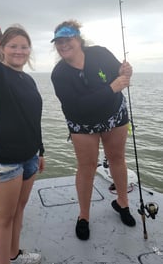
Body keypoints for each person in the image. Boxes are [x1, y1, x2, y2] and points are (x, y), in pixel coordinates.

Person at [50, 19, 136, 241]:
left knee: (117, 159)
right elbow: (76, 107)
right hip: (82, 123)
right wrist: (111, 88)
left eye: (68, 39)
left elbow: (121, 75)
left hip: (114, 115)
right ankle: (84, 216)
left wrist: (125, 71)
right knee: (86, 167)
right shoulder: (58, 74)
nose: (63, 45)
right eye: (59, 41)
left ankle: (122, 203)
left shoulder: (100, 53)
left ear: (78, 39)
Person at [0, 24, 45, 264]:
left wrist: (40, 151)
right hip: (5, 163)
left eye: (24, 46)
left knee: (19, 211)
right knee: (2, 221)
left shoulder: (29, 80)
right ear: (1, 48)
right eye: (13, 46)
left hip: (30, 159)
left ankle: (14, 255)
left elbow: (33, 118)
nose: (19, 51)